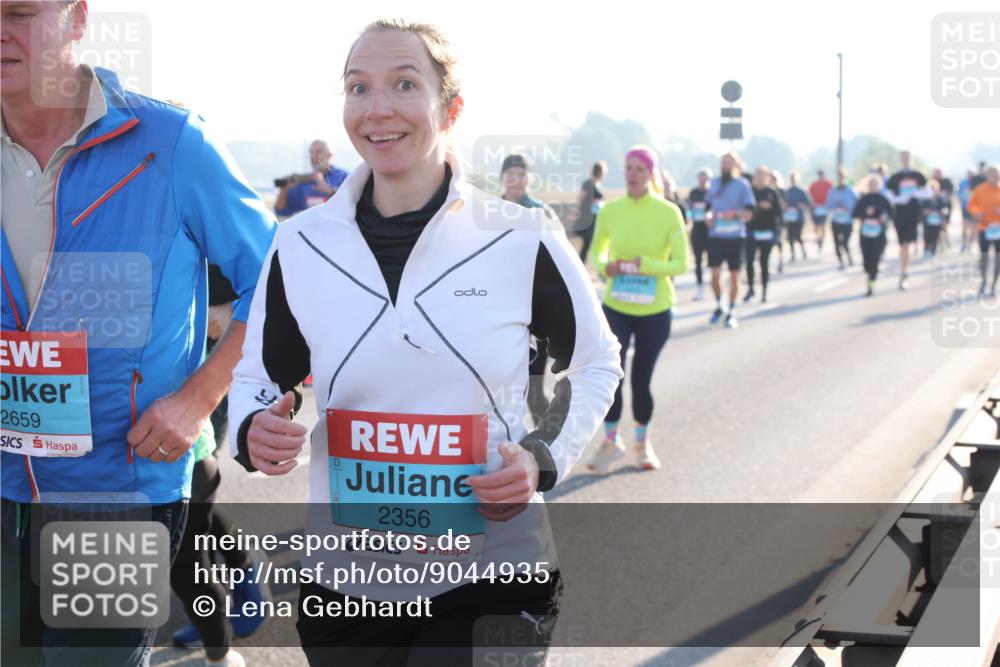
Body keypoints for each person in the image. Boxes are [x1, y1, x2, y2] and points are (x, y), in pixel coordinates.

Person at [227, 19, 623, 666]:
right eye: (359, 87)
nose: (377, 107)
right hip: (346, 582)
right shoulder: (299, 243)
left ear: (452, 108)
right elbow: (258, 380)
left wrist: (538, 455)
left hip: (493, 573)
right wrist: (250, 428)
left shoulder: (521, 236)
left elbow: (596, 361)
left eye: (404, 84)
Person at [0, 3, 275, 666]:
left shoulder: (172, 142)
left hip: (115, 491)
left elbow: (282, 282)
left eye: (19, 12)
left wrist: (200, 396)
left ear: (76, 18)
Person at [586, 147, 687, 473]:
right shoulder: (611, 211)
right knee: (612, 374)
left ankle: (642, 444)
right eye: (628, 168)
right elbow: (597, 252)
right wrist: (607, 267)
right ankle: (611, 440)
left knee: (641, 381)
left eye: (639, 169)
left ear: (650, 174)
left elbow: (681, 263)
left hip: (655, 309)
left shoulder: (668, 212)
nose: (632, 174)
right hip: (617, 304)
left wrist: (649, 266)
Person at [499, 154, 556, 427]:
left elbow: (558, 263)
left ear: (529, 179)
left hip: (536, 315)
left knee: (533, 392)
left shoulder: (540, 213)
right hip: (498, 314)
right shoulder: (488, 211)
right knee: (500, 394)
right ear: (502, 178)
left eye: (521, 175)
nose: (515, 180)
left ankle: (548, 454)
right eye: (510, 174)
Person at [706, 152, 755, 328]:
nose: (725, 165)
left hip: (735, 236)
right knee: (715, 274)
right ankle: (720, 305)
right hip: (716, 236)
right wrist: (709, 216)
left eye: (729, 162)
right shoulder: (714, 183)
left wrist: (735, 214)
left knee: (734, 276)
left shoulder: (742, 185)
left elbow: (749, 213)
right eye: (723, 162)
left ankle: (732, 310)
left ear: (736, 165)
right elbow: (708, 207)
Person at [274, 139, 350, 218]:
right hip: (312, 228)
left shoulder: (344, 176)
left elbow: (353, 204)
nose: (314, 156)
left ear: (330, 155)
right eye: (311, 152)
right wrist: (284, 189)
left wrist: (329, 190)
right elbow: (281, 211)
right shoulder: (305, 181)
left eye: (318, 152)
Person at [886, 150, 928, 290]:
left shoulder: (918, 176)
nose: (905, 160)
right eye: (903, 157)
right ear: (900, 159)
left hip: (913, 214)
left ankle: (904, 272)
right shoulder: (896, 177)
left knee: (907, 245)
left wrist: (915, 193)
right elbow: (888, 194)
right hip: (899, 214)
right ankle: (903, 269)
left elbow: (928, 192)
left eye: (908, 157)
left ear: (911, 159)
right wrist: (899, 199)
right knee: (902, 245)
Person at [745, 166, 782, 303]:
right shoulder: (749, 192)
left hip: (767, 232)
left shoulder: (771, 192)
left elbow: (779, 213)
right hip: (752, 232)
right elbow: (745, 209)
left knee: (763, 263)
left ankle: (764, 292)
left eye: (762, 175)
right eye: (757, 175)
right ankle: (750, 288)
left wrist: (770, 207)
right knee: (749, 261)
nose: (759, 178)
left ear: (767, 177)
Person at [852, 175, 894, 297]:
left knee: (874, 261)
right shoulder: (863, 199)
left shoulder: (883, 199)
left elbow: (891, 214)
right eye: (871, 184)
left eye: (875, 184)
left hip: (879, 235)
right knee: (866, 263)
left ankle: (871, 286)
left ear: (879, 185)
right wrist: (864, 214)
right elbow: (854, 214)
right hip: (865, 234)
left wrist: (884, 217)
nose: (873, 186)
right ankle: (869, 271)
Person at [968, 165, 1000, 297]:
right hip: (984, 228)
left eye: (995, 174)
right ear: (987, 176)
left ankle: (994, 285)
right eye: (990, 174)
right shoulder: (980, 189)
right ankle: (984, 280)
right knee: (984, 256)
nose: (993, 177)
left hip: (998, 228)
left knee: (998, 258)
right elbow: (972, 205)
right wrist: (977, 213)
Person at [687, 169, 712, 300]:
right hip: (697, 229)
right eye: (700, 179)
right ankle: (700, 288)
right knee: (698, 260)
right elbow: (689, 209)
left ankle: (714, 285)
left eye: (705, 179)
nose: (703, 181)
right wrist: (689, 219)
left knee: (712, 260)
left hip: (710, 231)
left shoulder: (712, 193)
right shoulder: (694, 192)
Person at [827, 167, 859, 269]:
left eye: (842, 176)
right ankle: (841, 262)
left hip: (847, 221)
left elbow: (857, 204)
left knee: (845, 243)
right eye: (839, 176)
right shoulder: (832, 191)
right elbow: (828, 205)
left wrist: (848, 208)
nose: (841, 178)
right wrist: (837, 208)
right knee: (836, 243)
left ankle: (849, 257)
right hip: (836, 221)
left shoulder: (851, 190)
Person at [576, 161, 606, 263]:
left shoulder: (598, 185)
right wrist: (575, 214)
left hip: (595, 217)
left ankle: (585, 264)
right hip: (586, 218)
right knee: (588, 241)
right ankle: (581, 264)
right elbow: (580, 198)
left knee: (590, 243)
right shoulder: (588, 183)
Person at [783, 171, 810, 262]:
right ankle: (793, 254)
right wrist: (785, 206)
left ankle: (803, 251)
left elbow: (808, 203)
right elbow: (782, 203)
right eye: (792, 179)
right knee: (790, 236)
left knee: (798, 236)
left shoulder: (801, 191)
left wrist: (801, 205)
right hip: (789, 217)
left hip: (799, 217)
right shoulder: (787, 191)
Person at [921, 179, 950, 257]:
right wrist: (928, 212)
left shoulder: (940, 199)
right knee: (927, 236)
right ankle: (926, 250)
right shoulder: (925, 198)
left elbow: (944, 208)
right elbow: (922, 209)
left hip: (937, 221)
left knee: (935, 236)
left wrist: (941, 213)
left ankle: (933, 251)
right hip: (927, 221)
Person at [809, 169, 833, 252]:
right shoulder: (814, 185)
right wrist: (812, 204)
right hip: (816, 208)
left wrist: (828, 205)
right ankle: (818, 237)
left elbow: (832, 195)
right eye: (820, 175)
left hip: (824, 208)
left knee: (822, 225)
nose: (821, 177)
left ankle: (821, 239)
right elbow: (809, 195)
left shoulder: (829, 184)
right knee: (816, 226)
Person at [958, 168, 978, 253]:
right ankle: (964, 243)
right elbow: (958, 194)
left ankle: (971, 243)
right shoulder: (963, 182)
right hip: (965, 208)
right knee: (965, 226)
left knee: (974, 227)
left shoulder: (977, 182)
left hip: (974, 209)